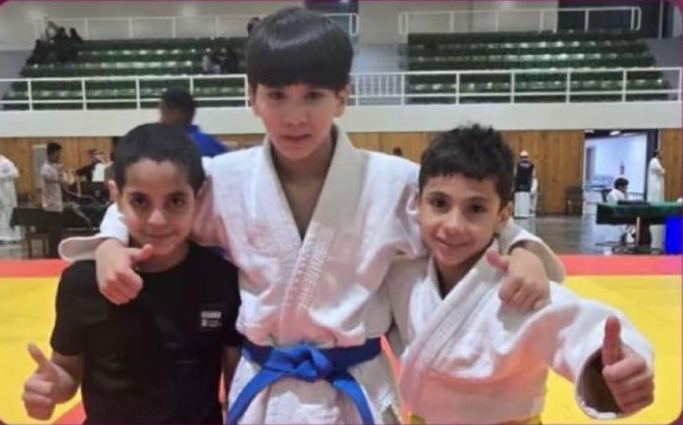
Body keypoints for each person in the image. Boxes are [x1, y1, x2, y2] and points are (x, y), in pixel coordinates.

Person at [59, 8, 564, 424]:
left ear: (343, 96)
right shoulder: (222, 180)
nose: (294, 116)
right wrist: (111, 242)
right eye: (276, 95)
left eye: (314, 96)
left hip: (355, 389)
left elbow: (471, 222)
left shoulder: (395, 183)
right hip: (264, 392)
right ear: (251, 96)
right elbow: (155, 204)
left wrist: (521, 250)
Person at [387, 125, 654, 424]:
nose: (452, 225)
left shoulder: (521, 289)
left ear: (502, 216)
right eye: (439, 203)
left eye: (475, 208)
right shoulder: (403, 276)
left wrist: (617, 363)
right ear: (417, 203)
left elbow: (575, 324)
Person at [22, 123, 243, 424]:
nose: (158, 219)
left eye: (176, 201)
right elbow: (67, 370)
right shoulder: (83, 282)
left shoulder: (220, 279)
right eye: (140, 201)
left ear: (198, 196)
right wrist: (50, 387)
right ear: (116, 196)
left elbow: (235, 381)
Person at [159, 88, 227, 157]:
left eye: (162, 112)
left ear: (177, 113)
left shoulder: (160, 146)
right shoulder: (213, 145)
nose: (160, 119)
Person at [41, 142, 70, 258]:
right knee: (53, 232)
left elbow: (64, 181)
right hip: (50, 205)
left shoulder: (55, 166)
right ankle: (53, 254)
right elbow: (48, 178)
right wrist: (60, 178)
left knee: (58, 232)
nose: (59, 156)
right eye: (57, 154)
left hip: (58, 203)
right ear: (51, 154)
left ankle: (57, 252)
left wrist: (62, 173)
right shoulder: (46, 167)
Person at [646, 150, 665, 249]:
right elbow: (662, 171)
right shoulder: (654, 161)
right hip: (655, 190)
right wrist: (663, 170)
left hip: (657, 189)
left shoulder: (656, 162)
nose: (662, 155)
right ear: (657, 154)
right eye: (661, 153)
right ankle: (655, 245)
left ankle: (658, 244)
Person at [0, 154, 21, 242]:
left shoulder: (6, 162)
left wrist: (2, 176)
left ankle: (13, 236)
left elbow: (16, 174)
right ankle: (2, 236)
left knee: (9, 213)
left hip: (7, 192)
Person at [514, 150, 535, 218]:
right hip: (519, 186)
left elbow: (533, 176)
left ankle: (522, 213)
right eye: (522, 157)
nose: (524, 159)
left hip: (525, 186)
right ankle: (519, 213)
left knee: (525, 200)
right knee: (519, 200)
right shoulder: (518, 165)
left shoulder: (531, 166)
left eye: (525, 157)